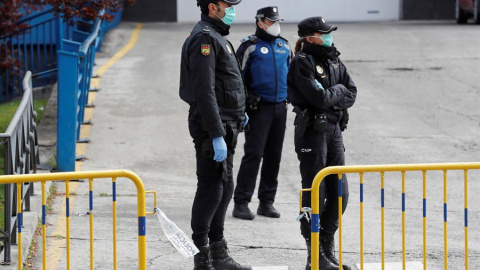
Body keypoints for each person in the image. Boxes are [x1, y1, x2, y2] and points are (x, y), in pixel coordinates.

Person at [179, 1, 251, 269]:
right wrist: (216, 133)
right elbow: (204, 90)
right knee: (211, 189)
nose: (232, 9)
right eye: (227, 5)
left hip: (227, 123)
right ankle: (203, 257)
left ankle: (219, 253)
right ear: (212, 7)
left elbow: (227, 81)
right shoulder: (204, 38)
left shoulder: (218, 35)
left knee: (225, 188)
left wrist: (239, 110)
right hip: (213, 126)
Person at [287, 16, 357, 270]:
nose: (328, 37)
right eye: (323, 33)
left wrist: (334, 93)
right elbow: (318, 98)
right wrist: (336, 93)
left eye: (329, 33)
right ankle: (314, 255)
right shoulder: (301, 63)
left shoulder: (334, 59)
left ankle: (327, 247)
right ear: (310, 37)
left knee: (340, 194)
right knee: (316, 191)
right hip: (312, 132)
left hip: (334, 129)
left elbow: (352, 91)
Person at [232, 6, 291, 220]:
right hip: (259, 109)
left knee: (274, 155)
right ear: (260, 22)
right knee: (254, 154)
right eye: (271, 21)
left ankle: (266, 202)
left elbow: (291, 76)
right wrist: (245, 103)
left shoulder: (285, 46)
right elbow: (235, 77)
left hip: (280, 108)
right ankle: (241, 202)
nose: (275, 25)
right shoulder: (249, 46)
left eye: (277, 20)